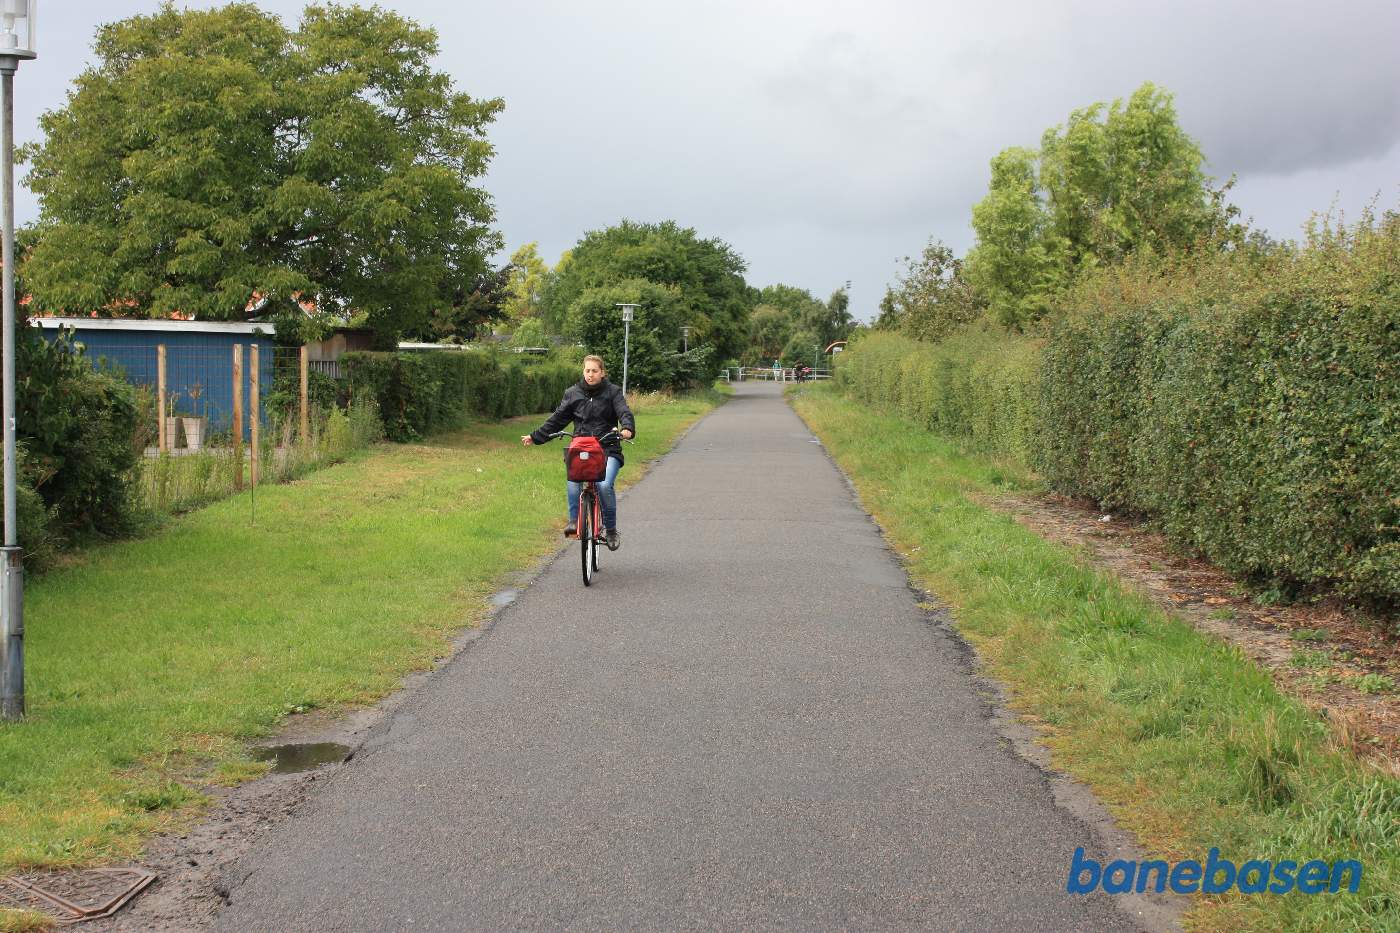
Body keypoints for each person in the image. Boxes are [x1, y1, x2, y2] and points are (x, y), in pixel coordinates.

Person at [521, 355, 635, 549]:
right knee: (573, 481)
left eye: (594, 371)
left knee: (605, 485)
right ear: (583, 371)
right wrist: (535, 437)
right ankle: (574, 521)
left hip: (607, 447)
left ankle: (611, 530)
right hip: (581, 448)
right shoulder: (573, 393)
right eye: (587, 370)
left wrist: (627, 429)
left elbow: (624, 412)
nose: (590, 374)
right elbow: (557, 419)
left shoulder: (613, 392)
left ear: (602, 373)